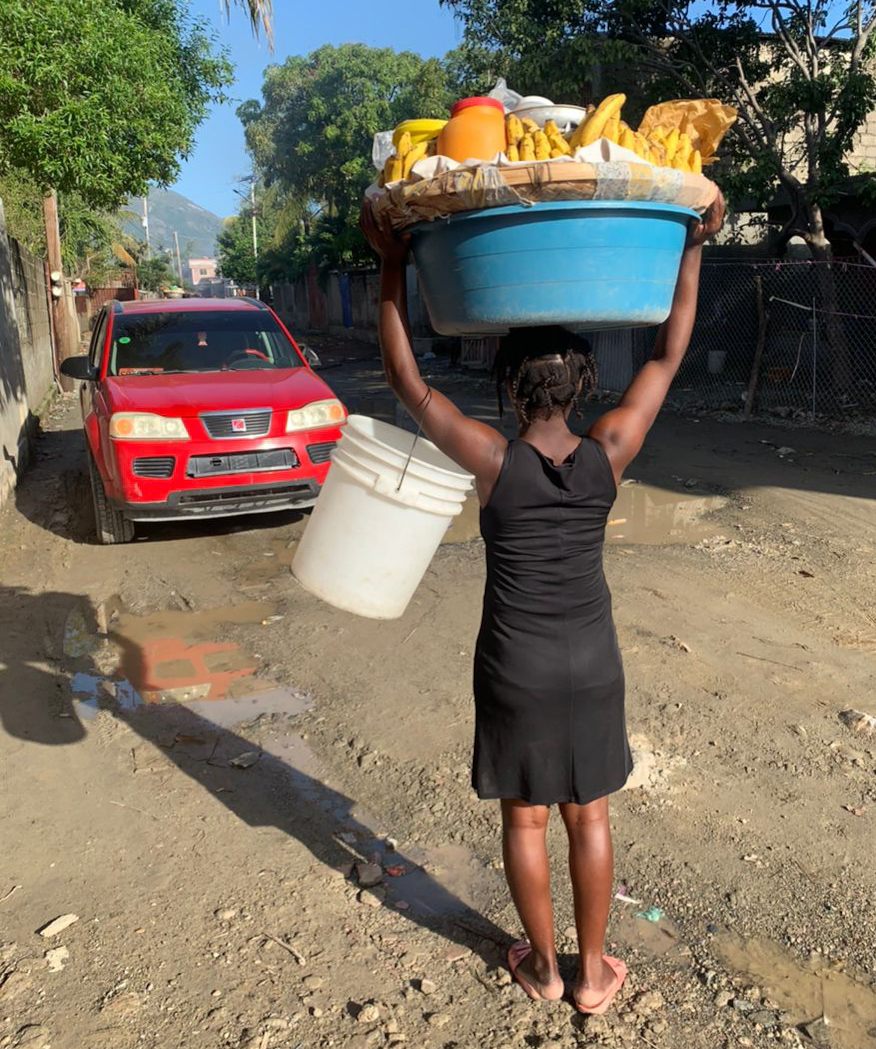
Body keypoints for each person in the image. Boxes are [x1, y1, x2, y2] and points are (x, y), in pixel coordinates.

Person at [360, 191, 725, 1014]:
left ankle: (543, 966)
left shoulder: (494, 461)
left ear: (511, 387)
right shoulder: (610, 453)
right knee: (586, 814)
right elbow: (667, 355)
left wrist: (392, 264)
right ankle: (595, 973)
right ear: (585, 382)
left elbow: (405, 378)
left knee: (526, 821)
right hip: (594, 664)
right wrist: (693, 248)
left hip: (515, 666)